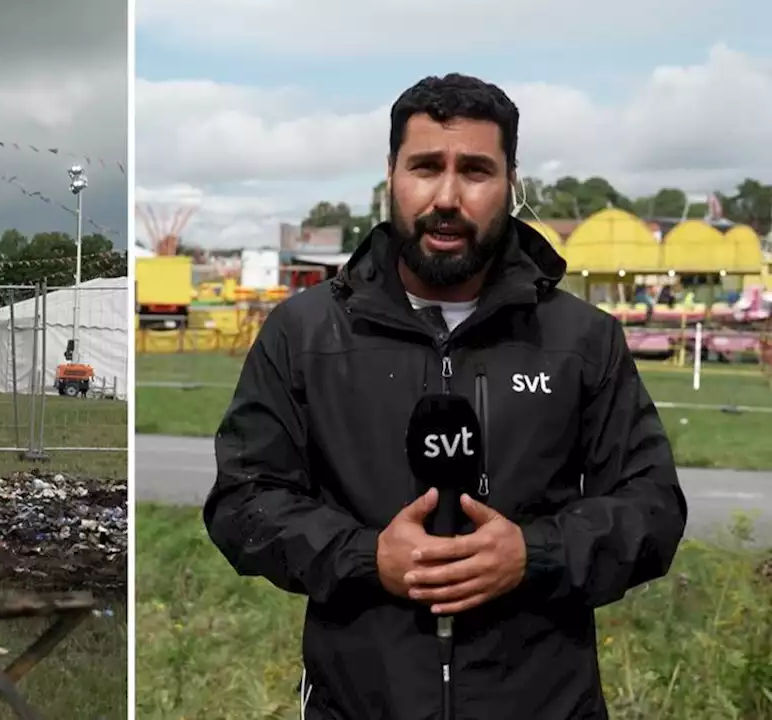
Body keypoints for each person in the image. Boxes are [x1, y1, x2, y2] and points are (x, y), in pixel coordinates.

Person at [204, 73, 687, 720]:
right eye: (426, 167)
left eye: (477, 171)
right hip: (359, 704)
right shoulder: (305, 334)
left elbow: (652, 509)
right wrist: (367, 556)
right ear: (392, 174)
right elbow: (242, 501)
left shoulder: (581, 340)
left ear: (510, 182)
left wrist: (532, 554)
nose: (448, 196)